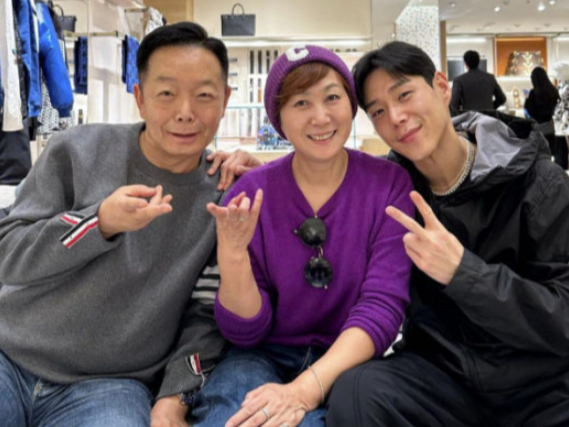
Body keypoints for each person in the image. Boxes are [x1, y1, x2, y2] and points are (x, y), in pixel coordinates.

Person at [0, 21, 262, 427]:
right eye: (166, 93)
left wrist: (175, 396)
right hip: (10, 353)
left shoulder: (225, 196)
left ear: (226, 100)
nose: (185, 112)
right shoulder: (77, 149)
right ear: (139, 98)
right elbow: (8, 255)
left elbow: (207, 314)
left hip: (111, 385)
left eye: (204, 95)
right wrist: (98, 222)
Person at [326, 40, 569, 427]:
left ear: (441, 87)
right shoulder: (390, 191)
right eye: (378, 111)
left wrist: (465, 273)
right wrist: (266, 180)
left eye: (404, 94)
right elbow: (326, 188)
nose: (396, 117)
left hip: (538, 387)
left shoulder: (538, 182)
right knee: (357, 393)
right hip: (440, 378)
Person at [187, 45, 414, 427]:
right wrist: (233, 256)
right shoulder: (251, 193)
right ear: (279, 119)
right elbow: (246, 332)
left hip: (349, 361)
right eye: (301, 103)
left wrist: (304, 390)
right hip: (260, 357)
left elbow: (382, 306)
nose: (320, 117)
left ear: (351, 104)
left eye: (332, 98)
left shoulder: (389, 186)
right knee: (232, 417)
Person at [524, 66, 566, 169]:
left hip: (539, 130)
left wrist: (527, 100)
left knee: (540, 159)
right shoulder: (554, 91)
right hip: (553, 128)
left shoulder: (533, 93)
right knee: (554, 155)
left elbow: (530, 111)